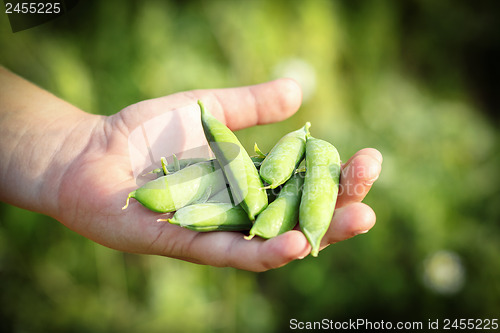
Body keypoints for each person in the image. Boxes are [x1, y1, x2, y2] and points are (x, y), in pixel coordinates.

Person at [0, 66, 382, 272]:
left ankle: (303, 230)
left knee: (268, 188)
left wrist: (65, 152)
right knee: (253, 181)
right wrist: (68, 153)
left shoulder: (314, 156)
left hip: (261, 192)